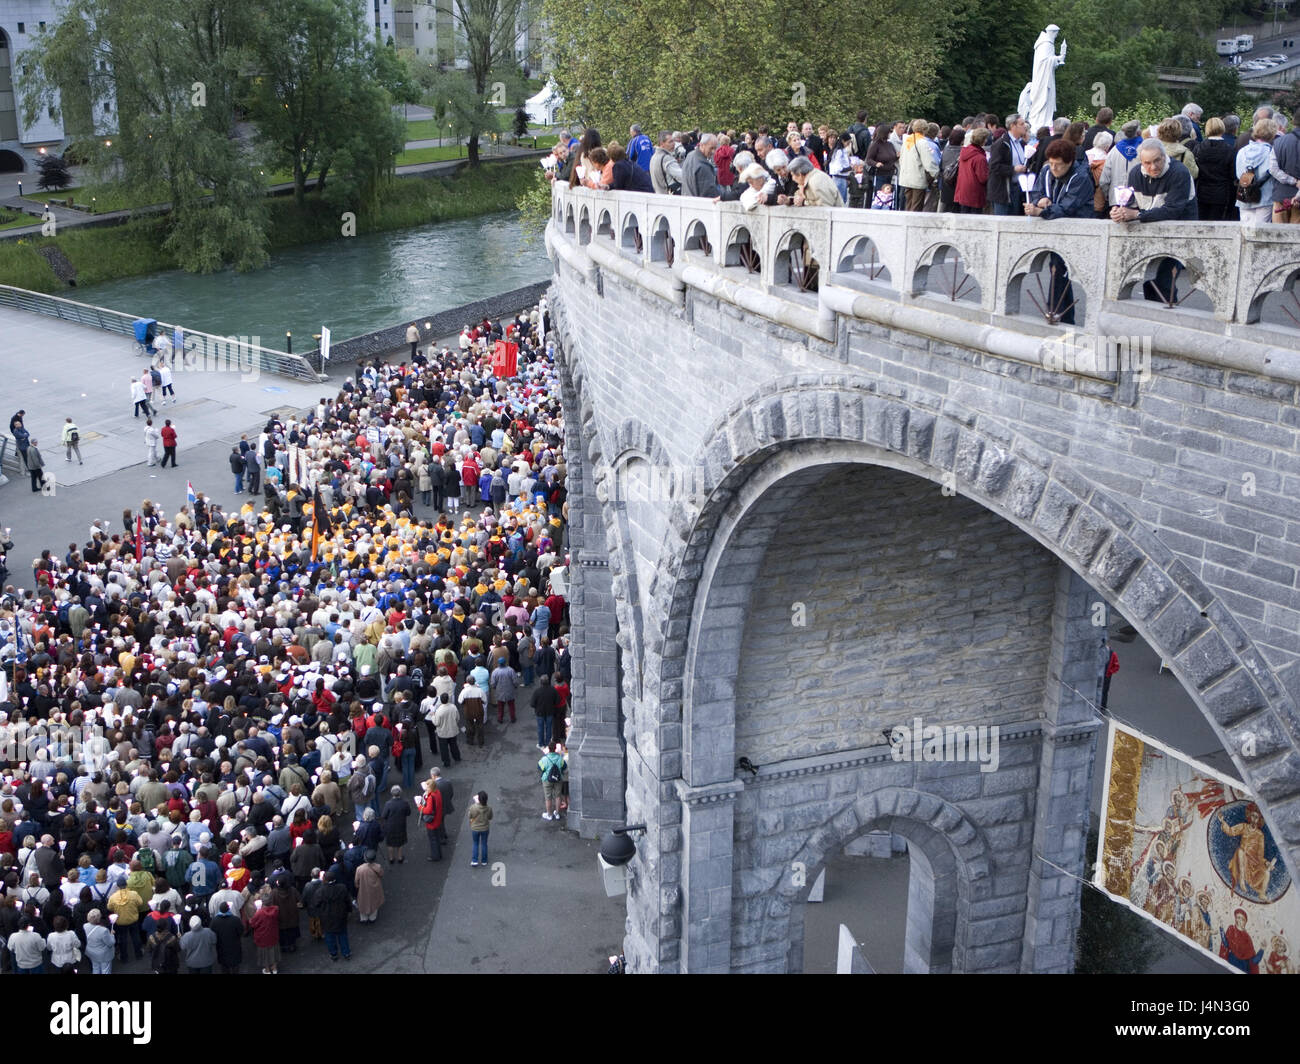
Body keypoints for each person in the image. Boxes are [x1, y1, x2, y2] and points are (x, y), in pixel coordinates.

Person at [1110, 140, 1197, 303]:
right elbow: (1130, 204)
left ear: (1165, 156)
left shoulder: (1180, 172)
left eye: (1157, 160)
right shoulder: (1135, 173)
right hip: (1151, 236)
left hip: (1178, 236)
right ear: (1141, 162)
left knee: (1163, 281)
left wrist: (1136, 215)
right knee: (1149, 282)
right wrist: (1119, 211)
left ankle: (1168, 320)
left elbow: (1172, 210)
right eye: (1147, 163)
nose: (1153, 167)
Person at [1024, 140, 1095, 324]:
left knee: (1060, 270)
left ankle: (1055, 311)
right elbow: (1036, 192)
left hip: (1076, 229)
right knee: (1058, 270)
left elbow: (1068, 207)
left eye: (1059, 165)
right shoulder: (1047, 170)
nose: (1054, 168)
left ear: (1070, 162)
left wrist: (1043, 211)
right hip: (1052, 227)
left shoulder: (1081, 178)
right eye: (1051, 163)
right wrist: (1041, 200)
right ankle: (1063, 316)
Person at [1194, 117, 1236, 221]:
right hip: (1222, 193)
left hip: (1201, 192)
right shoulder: (1229, 149)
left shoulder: (1198, 148)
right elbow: (1232, 174)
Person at [988, 115, 1029, 215]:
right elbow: (993, 167)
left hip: (1018, 189)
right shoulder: (1001, 143)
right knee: (1003, 223)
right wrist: (1013, 169)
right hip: (1003, 190)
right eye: (1022, 124)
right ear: (1012, 126)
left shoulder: (1021, 144)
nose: (1025, 126)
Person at [682, 134, 741, 200]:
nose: (713, 151)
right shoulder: (703, 166)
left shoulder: (690, 156)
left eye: (715, 148)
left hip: (687, 201)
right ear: (702, 145)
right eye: (711, 148)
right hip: (698, 205)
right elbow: (709, 193)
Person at [899, 119, 938, 211]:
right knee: (916, 206)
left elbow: (901, 159)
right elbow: (928, 163)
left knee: (908, 205)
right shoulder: (922, 142)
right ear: (925, 129)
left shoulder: (907, 140)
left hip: (906, 177)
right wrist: (936, 174)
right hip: (917, 178)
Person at [317, 867, 352, 961]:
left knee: (329, 936)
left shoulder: (321, 891)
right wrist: (349, 910)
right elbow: (347, 901)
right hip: (340, 915)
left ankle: (334, 954)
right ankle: (346, 953)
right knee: (343, 935)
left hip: (327, 917)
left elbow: (316, 904)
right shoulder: (342, 888)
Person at [954, 128, 990, 213]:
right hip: (975, 193)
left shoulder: (964, 152)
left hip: (963, 190)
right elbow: (983, 178)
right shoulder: (980, 158)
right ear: (983, 140)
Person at [248, 895, 281, 974]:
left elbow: (253, 924)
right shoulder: (276, 909)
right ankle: (274, 968)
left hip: (262, 937)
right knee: (274, 952)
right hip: (273, 935)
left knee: (265, 954)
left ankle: (267, 970)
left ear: (262, 902)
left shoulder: (259, 913)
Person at [379, 786, 409, 864]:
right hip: (401, 825)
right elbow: (408, 813)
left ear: (392, 793)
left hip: (390, 826)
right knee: (400, 842)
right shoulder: (404, 803)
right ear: (400, 793)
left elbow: (383, 816)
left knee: (390, 843)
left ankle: (391, 858)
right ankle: (400, 857)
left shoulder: (388, 804)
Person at [537, 743, 567, 821]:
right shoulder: (560, 758)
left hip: (547, 780)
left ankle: (549, 815)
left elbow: (540, 767)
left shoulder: (544, 759)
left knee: (548, 798)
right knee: (558, 796)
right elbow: (564, 767)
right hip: (558, 779)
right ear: (555, 749)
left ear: (549, 749)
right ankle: (557, 813)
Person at [354, 849, 385, 923]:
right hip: (375, 888)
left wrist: (357, 885)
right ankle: (372, 918)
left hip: (363, 888)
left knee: (363, 902)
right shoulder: (378, 867)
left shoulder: (360, 868)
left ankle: (364, 918)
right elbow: (381, 874)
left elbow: (356, 880)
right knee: (374, 902)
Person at [83, 909, 115, 974]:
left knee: (95, 968)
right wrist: (112, 935)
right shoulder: (104, 930)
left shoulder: (85, 926)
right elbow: (111, 943)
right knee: (105, 970)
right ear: (99, 918)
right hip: (103, 955)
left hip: (91, 952)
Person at [418, 778, 443, 861]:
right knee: (437, 838)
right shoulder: (437, 792)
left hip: (432, 822)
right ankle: (439, 854)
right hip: (437, 818)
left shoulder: (430, 797)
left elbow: (427, 810)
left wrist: (419, 806)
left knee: (433, 839)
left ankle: (435, 856)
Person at [469, 791, 492, 867]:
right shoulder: (489, 808)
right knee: (484, 844)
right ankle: (484, 861)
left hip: (475, 829)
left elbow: (470, 816)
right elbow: (490, 817)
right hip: (485, 828)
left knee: (475, 843)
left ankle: (475, 860)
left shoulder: (473, 807)